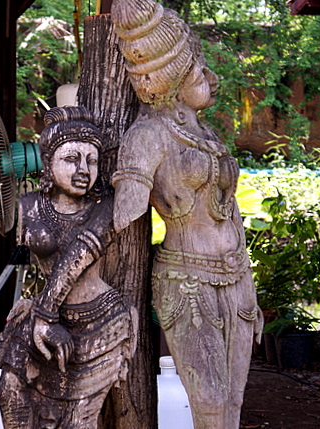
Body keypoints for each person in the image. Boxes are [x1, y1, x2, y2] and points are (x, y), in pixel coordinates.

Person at [110, 2, 263, 428]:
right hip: (186, 280)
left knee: (233, 400)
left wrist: (250, 286)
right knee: (210, 400)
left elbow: (231, 214)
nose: (211, 79)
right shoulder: (147, 136)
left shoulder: (207, 134)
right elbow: (123, 213)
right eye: (198, 74)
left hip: (236, 277)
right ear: (175, 86)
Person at [0, 106, 136, 429]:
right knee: (9, 391)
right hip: (45, 316)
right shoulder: (28, 206)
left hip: (98, 321)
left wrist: (44, 317)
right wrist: (40, 316)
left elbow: (76, 259)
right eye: (71, 159)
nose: (83, 169)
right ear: (48, 162)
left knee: (78, 421)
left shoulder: (105, 207)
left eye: (92, 161)